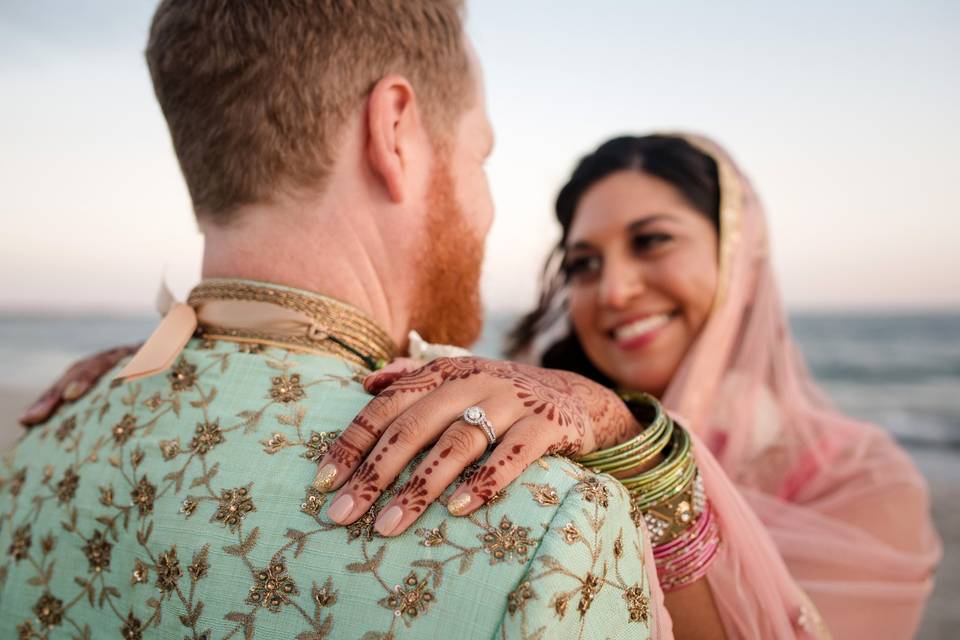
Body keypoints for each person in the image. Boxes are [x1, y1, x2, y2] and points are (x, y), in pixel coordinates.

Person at [0, 3, 667, 638]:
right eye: (480, 157)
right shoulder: (556, 520)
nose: (489, 207)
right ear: (394, 130)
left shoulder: (35, 448)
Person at [328, 134, 941, 638]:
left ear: (741, 261)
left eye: (652, 242)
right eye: (584, 264)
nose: (614, 291)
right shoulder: (535, 425)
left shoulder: (862, 479)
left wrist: (630, 439)